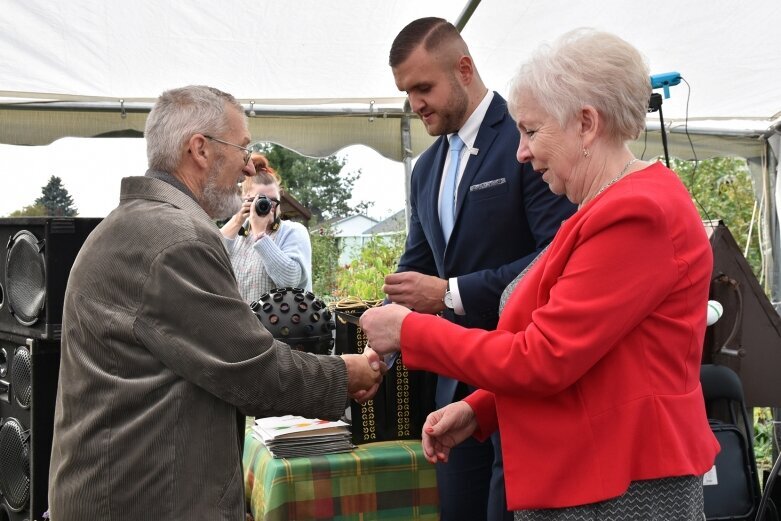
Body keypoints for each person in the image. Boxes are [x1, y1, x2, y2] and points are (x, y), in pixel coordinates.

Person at [362, 28, 719, 519]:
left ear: (586, 125)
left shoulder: (638, 214)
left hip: (619, 486)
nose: (521, 152)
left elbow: (546, 356)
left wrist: (409, 331)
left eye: (531, 131)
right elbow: (583, 352)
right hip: (588, 477)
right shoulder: (598, 208)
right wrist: (481, 407)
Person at [47, 85, 384, 521]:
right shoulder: (177, 239)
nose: (248, 164)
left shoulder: (132, 226)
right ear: (200, 149)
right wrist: (346, 373)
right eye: (242, 147)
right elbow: (251, 370)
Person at [384, 17, 576, 521]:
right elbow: (415, 269)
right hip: (455, 386)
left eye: (424, 87)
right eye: (406, 92)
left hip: (525, 379)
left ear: (464, 68)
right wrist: (374, 352)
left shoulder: (527, 137)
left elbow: (557, 253)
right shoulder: (426, 168)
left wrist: (450, 294)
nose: (415, 103)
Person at [221, 153, 312, 303]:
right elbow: (208, 258)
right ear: (245, 199)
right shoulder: (238, 232)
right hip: (241, 324)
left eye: (273, 201)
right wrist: (237, 220)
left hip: (281, 325)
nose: (267, 206)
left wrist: (260, 235)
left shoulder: (293, 231)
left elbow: (290, 281)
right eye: (259, 200)